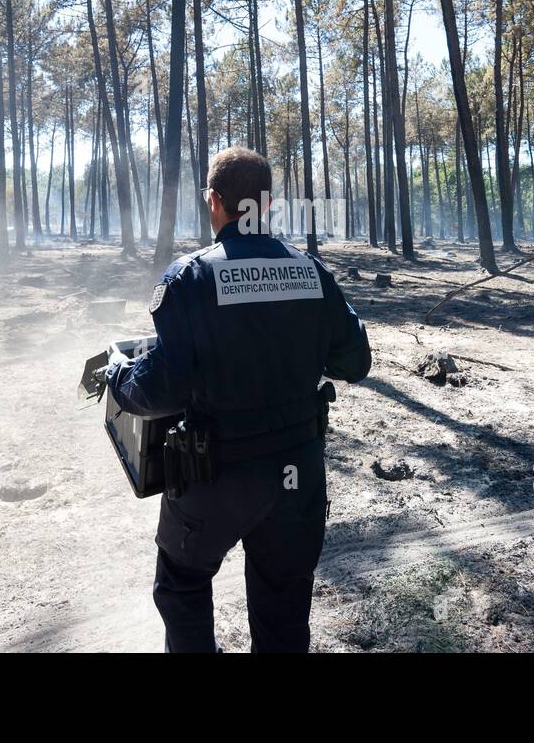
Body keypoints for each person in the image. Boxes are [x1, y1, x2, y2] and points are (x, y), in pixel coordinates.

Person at [106, 146, 371, 652]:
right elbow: (354, 363)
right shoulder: (311, 273)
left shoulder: (191, 277)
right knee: (283, 607)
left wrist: (120, 379)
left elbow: (163, 388)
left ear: (213, 201)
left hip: (214, 477)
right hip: (297, 476)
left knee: (182, 584)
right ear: (267, 205)